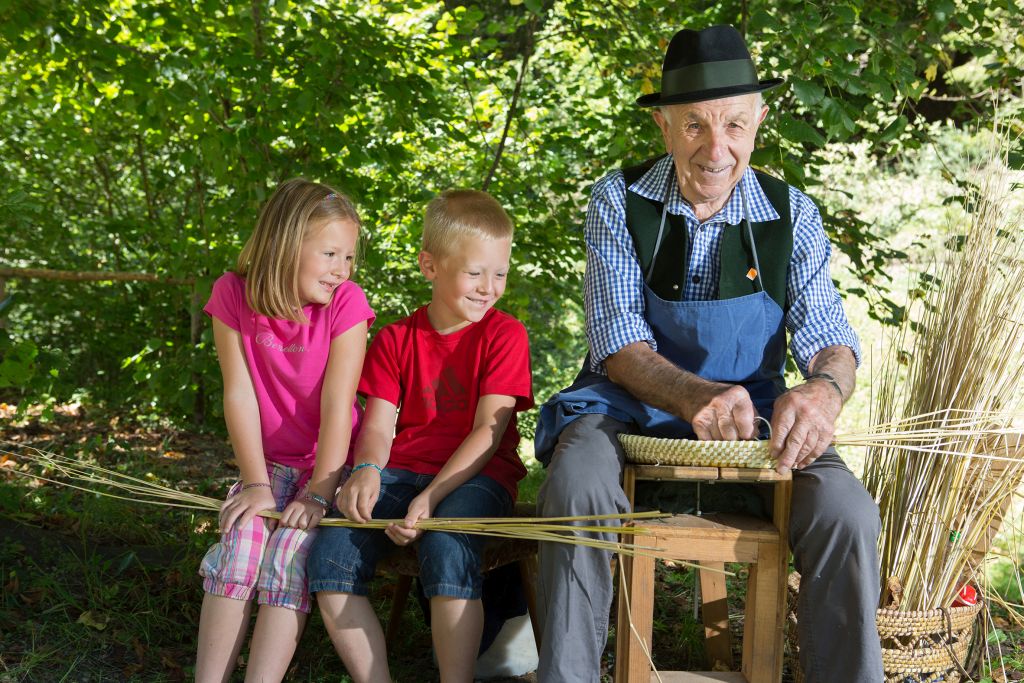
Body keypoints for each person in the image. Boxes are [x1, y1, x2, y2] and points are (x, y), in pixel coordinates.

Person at [533, 25, 883, 683]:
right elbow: (618, 346)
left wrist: (824, 391)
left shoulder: (792, 215)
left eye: (734, 126)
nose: (716, 148)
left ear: (760, 122)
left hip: (752, 429)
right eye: (694, 126)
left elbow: (832, 343)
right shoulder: (620, 199)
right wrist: (695, 395)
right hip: (628, 414)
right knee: (575, 485)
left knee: (847, 513)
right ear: (664, 125)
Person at [307, 189, 534, 683]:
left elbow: (487, 435)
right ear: (429, 266)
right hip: (400, 472)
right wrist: (366, 470)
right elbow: (379, 426)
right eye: (475, 273)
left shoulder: (505, 334)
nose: (488, 287)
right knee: (332, 554)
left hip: (478, 477)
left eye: (500, 273)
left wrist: (431, 498)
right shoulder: (394, 339)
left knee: (447, 539)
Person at [195, 179, 374, 683]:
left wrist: (320, 493)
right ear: (287, 243)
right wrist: (253, 483)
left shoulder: (347, 304)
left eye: (349, 257)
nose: (343, 269)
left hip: (327, 466)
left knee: (289, 554)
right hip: (268, 465)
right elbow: (240, 394)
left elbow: (340, 403)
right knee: (240, 542)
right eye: (331, 253)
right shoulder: (232, 294)